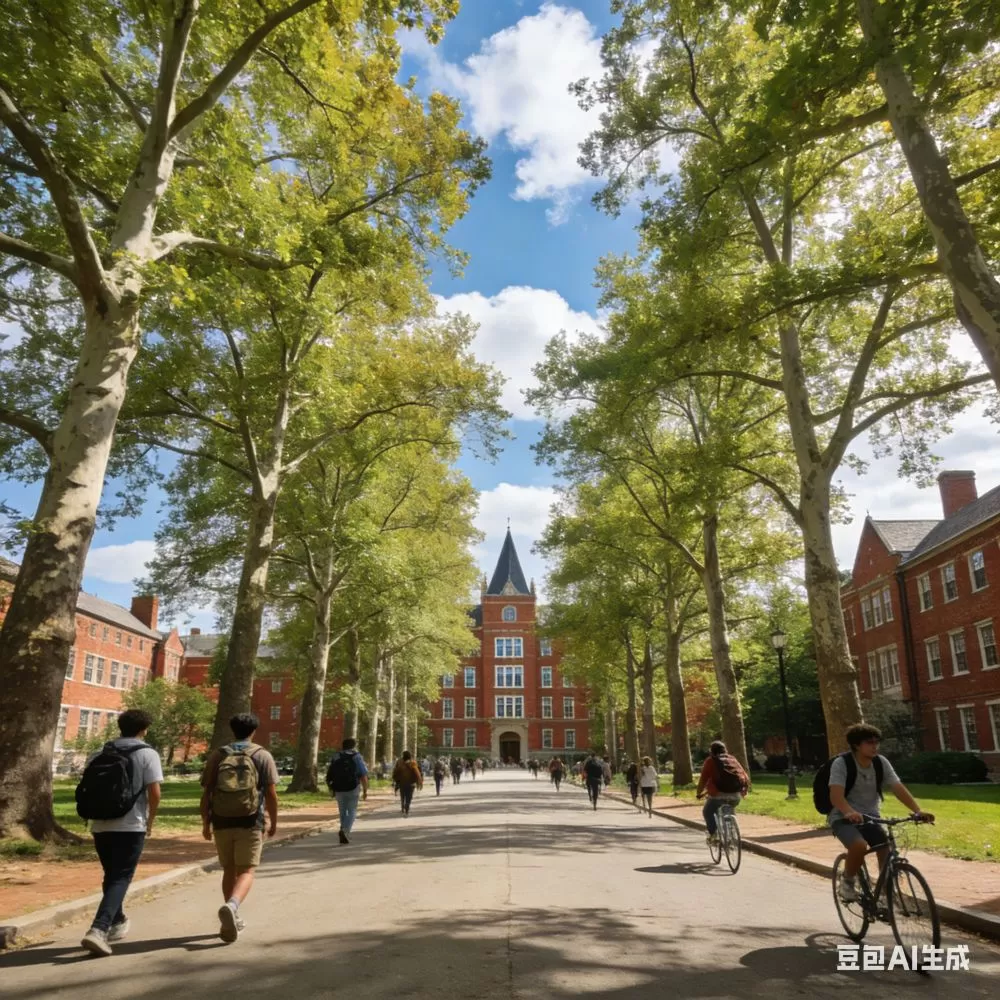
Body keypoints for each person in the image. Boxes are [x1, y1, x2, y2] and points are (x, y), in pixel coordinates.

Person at [79, 709, 162, 957]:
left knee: (112, 875)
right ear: (144, 729)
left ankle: (118, 920)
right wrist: (150, 821)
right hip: (130, 824)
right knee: (121, 877)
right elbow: (154, 793)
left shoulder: (99, 753)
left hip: (100, 823)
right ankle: (98, 928)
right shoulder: (147, 753)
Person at [828, 724, 933, 903]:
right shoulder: (842, 763)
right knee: (859, 846)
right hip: (843, 818)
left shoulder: (880, 762)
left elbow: (897, 787)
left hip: (870, 816)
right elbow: (836, 795)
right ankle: (847, 881)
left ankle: (886, 892)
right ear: (856, 745)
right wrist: (849, 812)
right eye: (869, 743)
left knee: (885, 848)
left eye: (877, 742)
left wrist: (917, 810)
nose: (875, 746)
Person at [200, 713, 279, 943]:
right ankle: (232, 906)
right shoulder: (262, 755)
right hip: (251, 819)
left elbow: (207, 792)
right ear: (253, 731)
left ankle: (232, 917)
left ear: (232, 730)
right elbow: (271, 794)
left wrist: (206, 822)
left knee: (228, 869)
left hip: (222, 819)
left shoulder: (218, 754)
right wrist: (273, 821)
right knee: (246, 871)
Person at [696, 740, 749, 846]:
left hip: (717, 796)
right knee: (730, 807)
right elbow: (744, 776)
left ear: (711, 751)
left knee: (707, 812)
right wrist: (744, 791)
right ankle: (732, 830)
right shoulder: (732, 759)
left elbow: (703, 780)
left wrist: (698, 793)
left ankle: (713, 835)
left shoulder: (710, 761)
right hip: (735, 796)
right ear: (725, 750)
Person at [325, 737, 369, 844]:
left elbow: (330, 773)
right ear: (353, 746)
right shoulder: (357, 756)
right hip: (353, 787)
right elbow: (363, 774)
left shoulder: (336, 756)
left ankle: (343, 829)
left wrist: (331, 787)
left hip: (338, 788)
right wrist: (365, 790)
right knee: (352, 810)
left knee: (342, 811)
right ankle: (345, 830)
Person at [393, 750, 423, 815]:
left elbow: (395, 772)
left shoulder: (399, 762)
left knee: (403, 795)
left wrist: (396, 781)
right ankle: (407, 806)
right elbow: (417, 773)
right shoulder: (413, 763)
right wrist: (420, 782)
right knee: (409, 796)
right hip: (411, 784)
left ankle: (403, 806)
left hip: (402, 783)